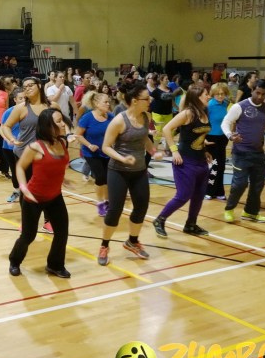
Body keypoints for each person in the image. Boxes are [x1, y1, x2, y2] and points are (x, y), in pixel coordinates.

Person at [98, 83, 163, 264]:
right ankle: (104, 245)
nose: (150, 101)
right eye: (146, 98)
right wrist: (122, 158)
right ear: (135, 101)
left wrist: (153, 152)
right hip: (118, 171)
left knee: (141, 207)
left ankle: (132, 241)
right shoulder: (119, 121)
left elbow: (145, 138)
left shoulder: (146, 116)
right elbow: (106, 147)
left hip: (139, 171)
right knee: (115, 211)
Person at [9, 108, 72, 278]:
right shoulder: (35, 147)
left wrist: (63, 179)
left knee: (62, 232)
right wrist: (23, 188)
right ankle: (14, 261)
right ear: (47, 126)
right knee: (28, 236)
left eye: (62, 120)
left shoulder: (63, 143)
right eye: (58, 121)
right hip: (33, 198)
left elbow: (56, 166)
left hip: (55, 196)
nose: (63, 124)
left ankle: (55, 265)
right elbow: (20, 167)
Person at [152, 85, 212, 238]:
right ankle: (159, 220)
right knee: (183, 195)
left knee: (198, 195)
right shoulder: (188, 113)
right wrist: (174, 150)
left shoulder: (204, 112)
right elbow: (166, 129)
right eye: (206, 94)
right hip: (185, 161)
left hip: (201, 160)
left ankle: (191, 224)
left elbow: (199, 136)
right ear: (197, 96)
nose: (209, 96)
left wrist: (205, 150)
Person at [2, 77, 56, 233]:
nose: (27, 88)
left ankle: (48, 221)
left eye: (30, 85)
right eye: (24, 87)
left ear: (39, 85)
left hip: (46, 155)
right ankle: (26, 222)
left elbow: (60, 126)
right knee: (26, 189)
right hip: (24, 154)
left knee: (47, 189)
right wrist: (12, 138)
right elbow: (6, 126)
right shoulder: (21, 108)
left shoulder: (52, 106)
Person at [221, 79, 265, 224]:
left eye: (263, 94)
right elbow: (225, 122)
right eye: (258, 93)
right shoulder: (239, 106)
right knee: (240, 184)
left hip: (258, 152)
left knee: (257, 185)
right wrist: (230, 135)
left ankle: (250, 212)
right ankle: (229, 209)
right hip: (241, 153)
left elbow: (262, 124)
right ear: (252, 90)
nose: (260, 96)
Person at [74, 91, 112, 216]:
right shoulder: (87, 117)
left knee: (108, 178)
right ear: (96, 104)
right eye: (105, 102)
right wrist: (89, 145)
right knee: (100, 177)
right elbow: (78, 135)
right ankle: (100, 203)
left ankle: (107, 201)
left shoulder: (111, 117)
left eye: (108, 102)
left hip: (107, 152)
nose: (108, 104)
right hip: (91, 153)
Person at [205, 82, 231, 199]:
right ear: (213, 94)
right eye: (218, 94)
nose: (220, 96)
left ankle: (219, 191)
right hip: (211, 138)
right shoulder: (209, 105)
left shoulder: (225, 104)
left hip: (222, 138)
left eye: (222, 94)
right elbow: (204, 122)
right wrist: (203, 138)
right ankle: (209, 191)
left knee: (222, 166)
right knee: (215, 165)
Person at [1, 89, 25, 203]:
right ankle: (17, 191)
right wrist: (8, 139)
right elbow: (2, 129)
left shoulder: (30, 111)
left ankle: (27, 193)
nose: (23, 100)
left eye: (25, 98)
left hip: (25, 147)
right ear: (15, 100)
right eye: (20, 98)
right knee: (15, 171)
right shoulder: (8, 112)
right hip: (9, 148)